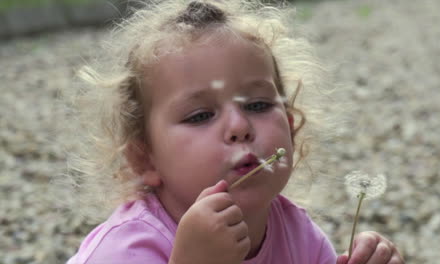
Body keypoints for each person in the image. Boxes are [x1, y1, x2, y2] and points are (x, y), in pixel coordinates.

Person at [65, 1, 404, 263]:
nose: (240, 127)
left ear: (290, 127)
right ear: (145, 159)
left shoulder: (297, 232)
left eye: (257, 105)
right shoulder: (125, 250)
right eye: (200, 115)